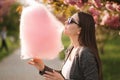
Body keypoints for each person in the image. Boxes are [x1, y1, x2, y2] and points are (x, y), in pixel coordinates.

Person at [28, 12, 103, 80]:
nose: (66, 22)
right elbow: (64, 76)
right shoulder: (71, 49)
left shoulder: (85, 53)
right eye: (68, 19)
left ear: (79, 30)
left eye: (71, 20)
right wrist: (43, 68)